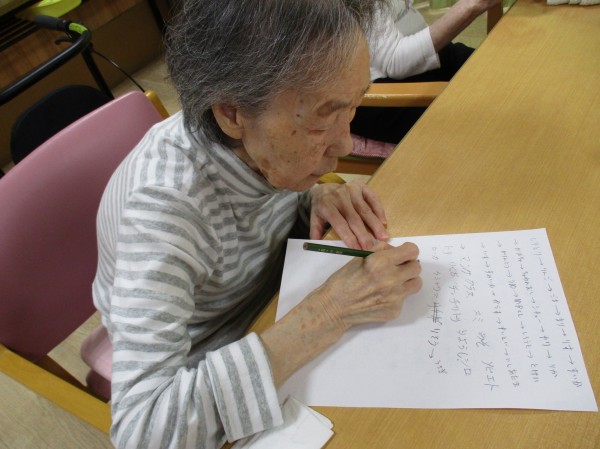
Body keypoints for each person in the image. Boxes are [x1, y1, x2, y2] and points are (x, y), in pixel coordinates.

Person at [92, 1, 422, 448]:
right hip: (214, 341)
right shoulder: (165, 210)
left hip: (273, 299)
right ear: (231, 114)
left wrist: (316, 196)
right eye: (323, 118)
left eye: (352, 107)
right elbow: (142, 432)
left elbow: (260, 200)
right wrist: (330, 311)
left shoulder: (260, 145)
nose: (344, 145)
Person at [351, 0, 502, 143]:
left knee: (502, 73)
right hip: (375, 92)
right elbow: (393, 61)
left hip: (418, 54)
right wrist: (470, 6)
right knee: (484, 120)